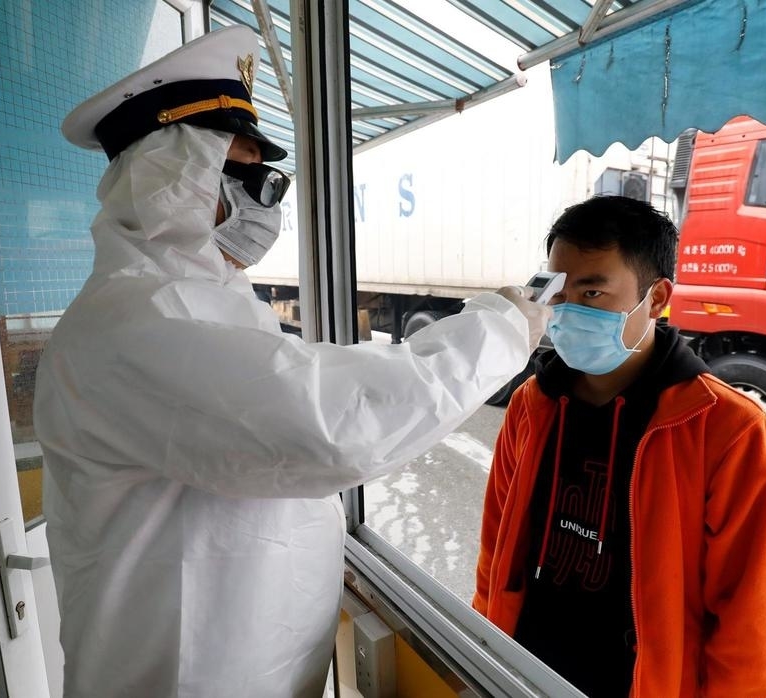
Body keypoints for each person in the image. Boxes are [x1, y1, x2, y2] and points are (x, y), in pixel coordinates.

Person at [33, 26, 550, 698]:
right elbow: (333, 425)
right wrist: (498, 331)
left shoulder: (206, 298)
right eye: (239, 171)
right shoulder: (140, 320)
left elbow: (301, 376)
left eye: (269, 180)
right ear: (168, 174)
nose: (263, 199)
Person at [472, 196, 766, 697]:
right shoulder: (532, 404)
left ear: (657, 297)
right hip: (524, 672)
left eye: (593, 292)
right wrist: (480, 651)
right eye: (559, 293)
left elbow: (754, 624)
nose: (567, 312)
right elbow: (496, 549)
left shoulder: (730, 431)